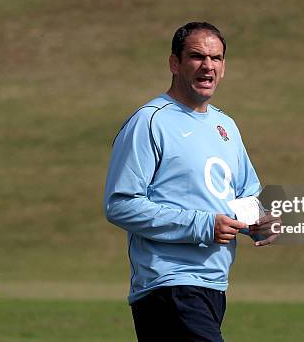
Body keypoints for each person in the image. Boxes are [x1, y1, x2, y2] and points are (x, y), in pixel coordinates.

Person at [104, 22, 280, 341]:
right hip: (168, 285)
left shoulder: (225, 126)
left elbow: (245, 192)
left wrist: (258, 223)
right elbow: (121, 205)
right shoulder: (150, 121)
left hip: (214, 284)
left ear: (224, 67)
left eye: (215, 58)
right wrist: (202, 226)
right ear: (175, 63)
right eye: (197, 57)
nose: (207, 65)